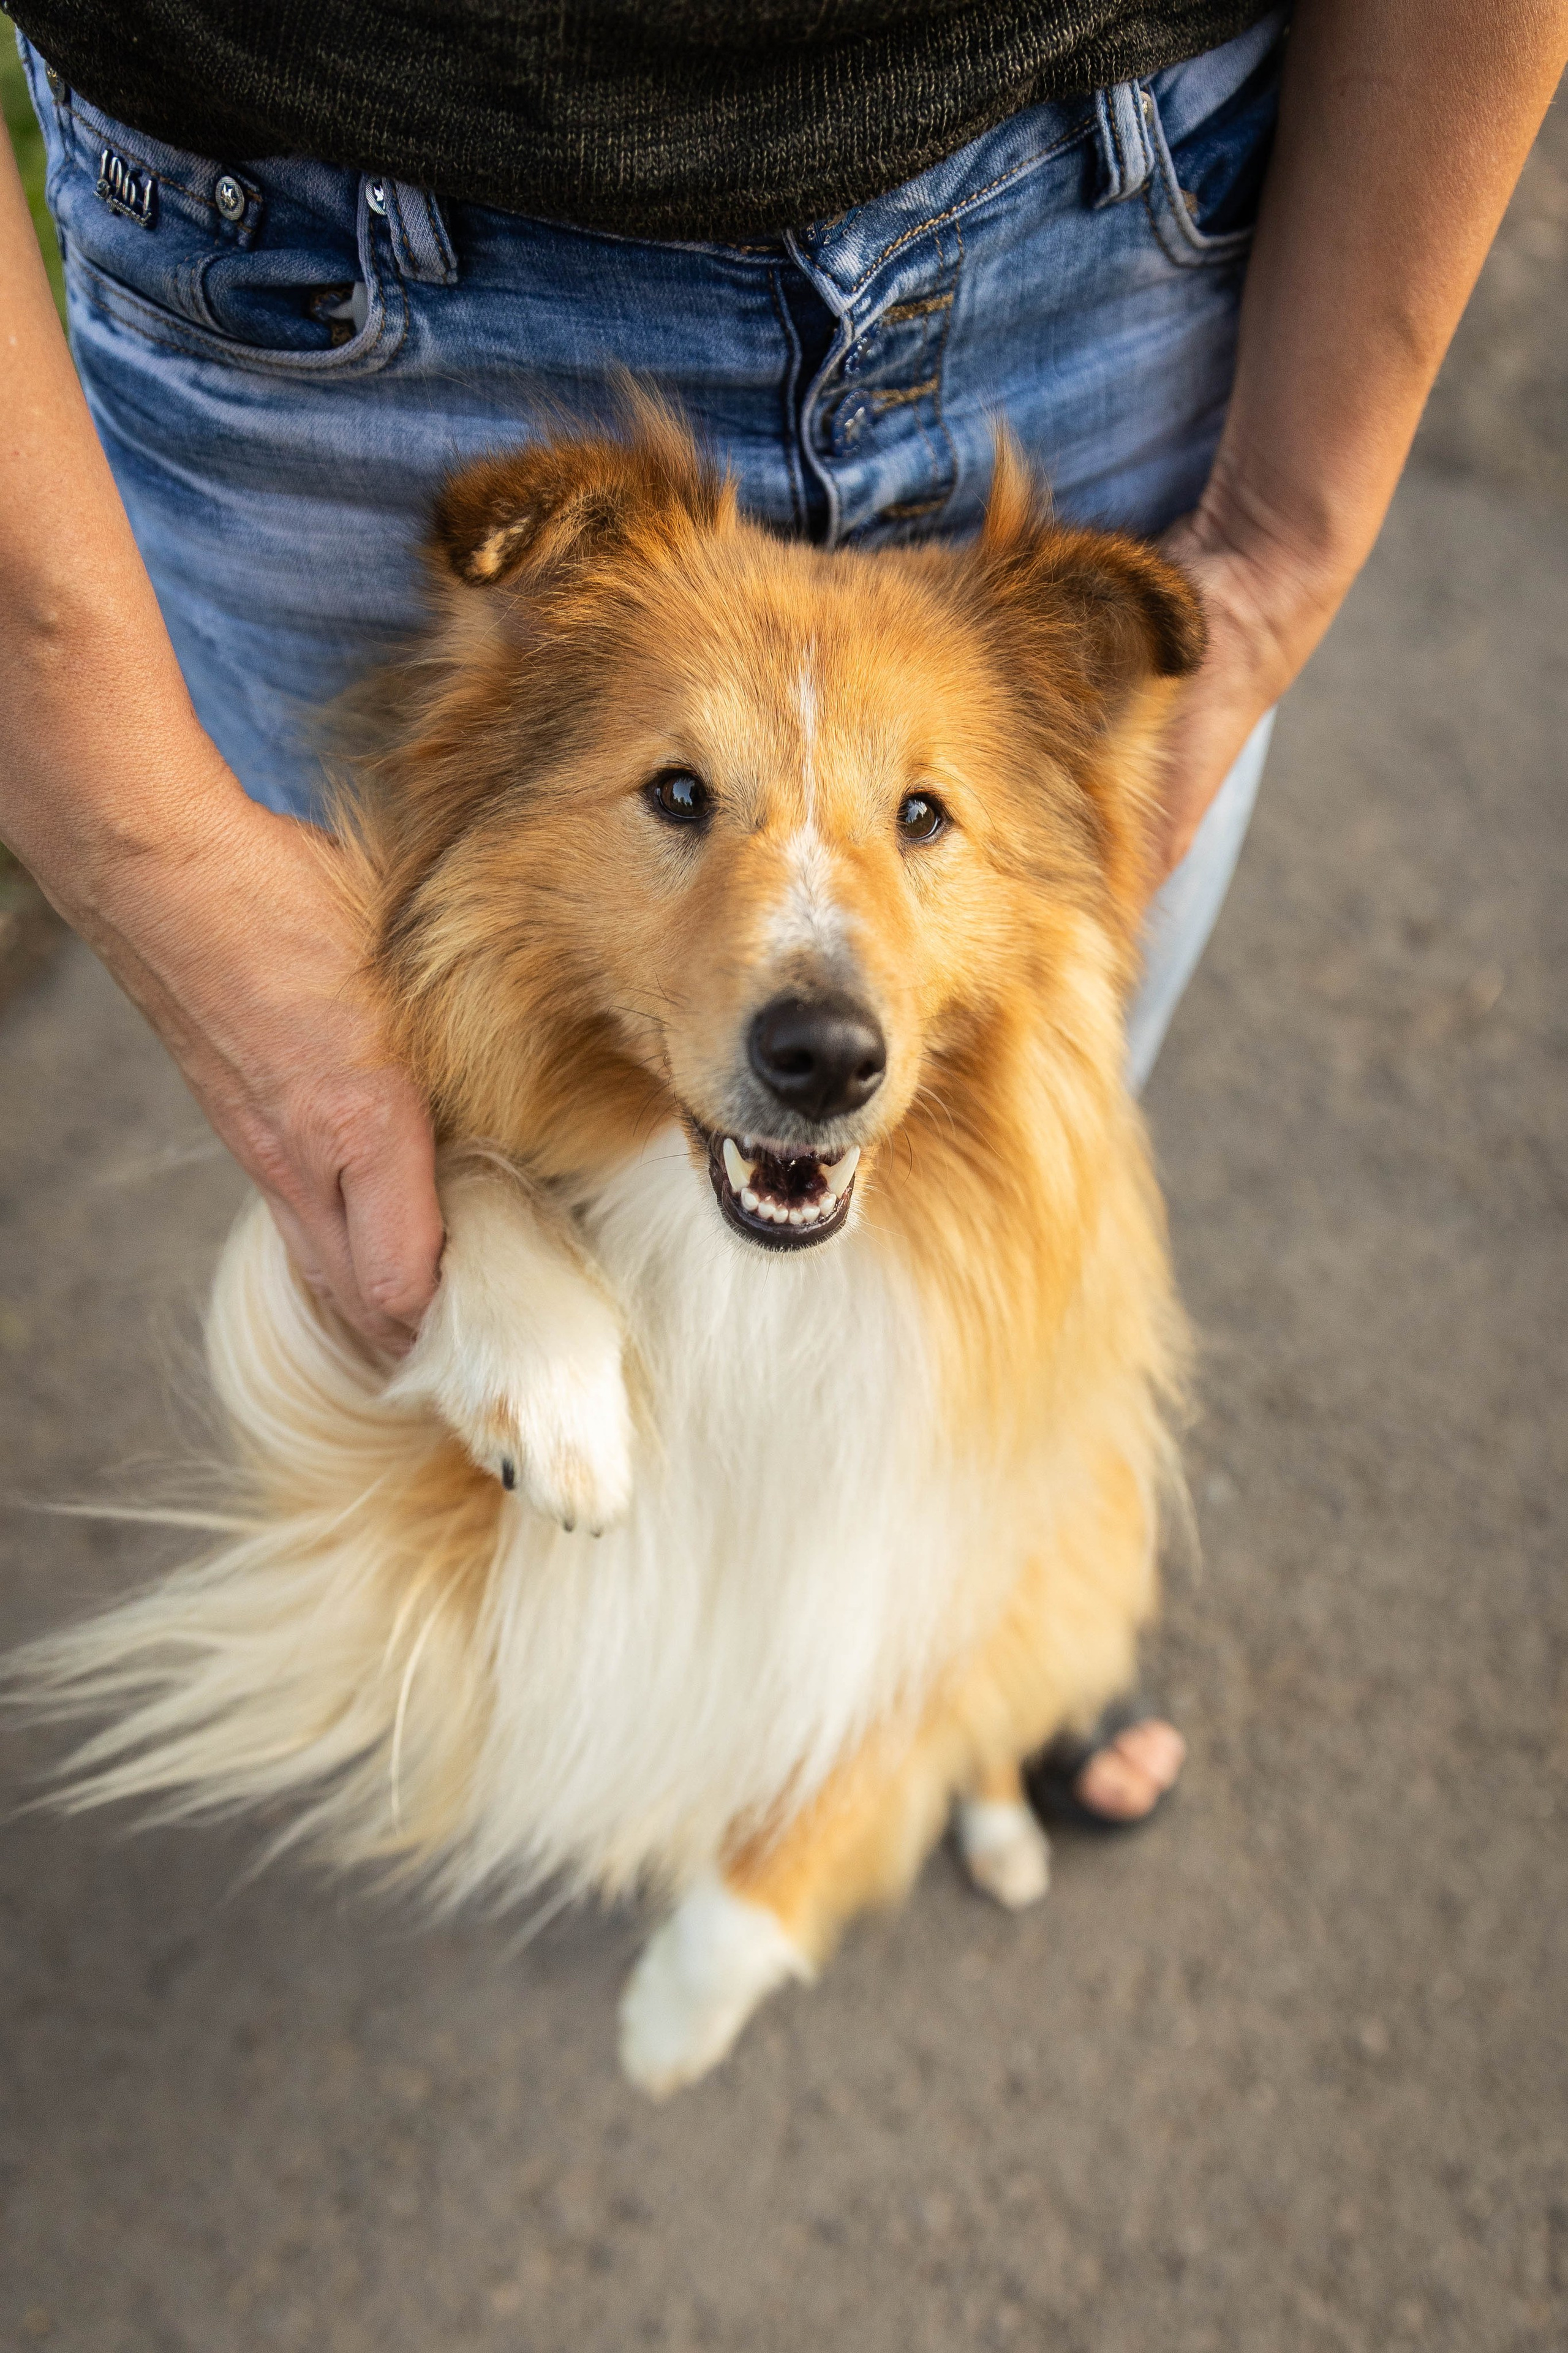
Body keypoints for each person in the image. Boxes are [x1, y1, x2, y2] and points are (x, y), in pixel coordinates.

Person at [1, 1, 1562, 1828]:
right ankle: (656, 1698)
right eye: (686, 798)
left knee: (1023, 1136)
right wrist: (140, 835)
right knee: (431, 1170)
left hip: (1104, 214)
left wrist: (1290, 528)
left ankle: (963, 1613)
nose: (817, 974)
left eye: (920, 823)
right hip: (325, 283)